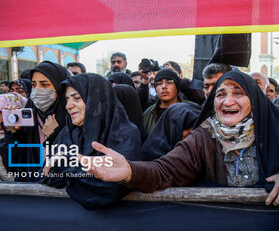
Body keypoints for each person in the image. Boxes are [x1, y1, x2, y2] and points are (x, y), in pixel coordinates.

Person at [80, 71, 279, 207]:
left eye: (238, 93)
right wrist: (130, 170)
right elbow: (165, 171)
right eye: (221, 94)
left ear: (254, 100)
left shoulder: (274, 130)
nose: (227, 102)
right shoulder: (203, 137)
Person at [41, 73, 141, 210]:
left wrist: (66, 163)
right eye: (67, 99)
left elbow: (111, 186)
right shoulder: (68, 132)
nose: (68, 106)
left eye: (77, 98)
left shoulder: (124, 133)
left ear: (95, 99)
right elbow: (47, 175)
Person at [1, 61, 68, 182]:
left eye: (45, 84)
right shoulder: (30, 112)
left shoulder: (72, 116)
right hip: (32, 189)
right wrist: (12, 134)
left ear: (59, 86)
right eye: (33, 85)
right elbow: (13, 165)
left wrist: (55, 135)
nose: (37, 90)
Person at [143, 68, 198, 133]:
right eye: (159, 83)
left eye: (169, 82)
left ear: (177, 87)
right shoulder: (148, 114)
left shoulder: (192, 109)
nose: (164, 86)